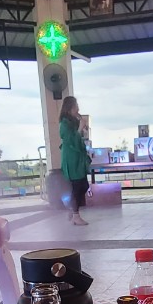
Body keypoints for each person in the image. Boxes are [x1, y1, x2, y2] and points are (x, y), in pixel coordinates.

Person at [59, 96, 91, 226]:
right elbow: (71, 140)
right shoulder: (64, 123)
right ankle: (75, 214)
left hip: (78, 159)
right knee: (77, 186)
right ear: (70, 108)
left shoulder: (73, 121)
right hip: (72, 160)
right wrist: (79, 129)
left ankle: (72, 209)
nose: (78, 108)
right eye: (76, 106)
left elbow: (80, 137)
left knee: (84, 185)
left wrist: (83, 127)